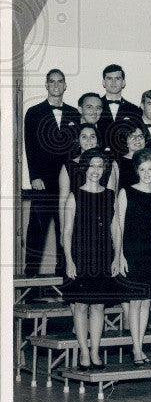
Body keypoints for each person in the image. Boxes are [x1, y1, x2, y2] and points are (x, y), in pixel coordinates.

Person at [61, 149, 131, 371]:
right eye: (92, 165)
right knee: (81, 306)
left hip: (103, 256)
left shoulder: (110, 195)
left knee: (99, 306)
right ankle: (83, 351)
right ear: (84, 168)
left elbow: (116, 229)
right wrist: (69, 261)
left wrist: (117, 256)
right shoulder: (75, 195)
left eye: (100, 166)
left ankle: (95, 351)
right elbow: (67, 232)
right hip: (81, 257)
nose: (96, 170)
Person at [23, 69, 81, 279]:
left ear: (65, 85)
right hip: (43, 183)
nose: (56, 85)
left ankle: (64, 282)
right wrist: (34, 176)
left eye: (60, 82)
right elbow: (29, 145)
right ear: (46, 85)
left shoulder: (75, 113)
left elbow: (76, 149)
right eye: (52, 82)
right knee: (36, 232)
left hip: (67, 183)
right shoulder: (34, 112)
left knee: (65, 231)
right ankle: (29, 286)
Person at [112, 148, 151, 365]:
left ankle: (140, 346)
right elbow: (119, 226)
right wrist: (119, 255)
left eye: (150, 169)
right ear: (137, 170)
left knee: (146, 302)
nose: (146, 173)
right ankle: (136, 349)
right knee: (135, 302)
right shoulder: (126, 192)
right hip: (132, 251)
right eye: (142, 169)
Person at [59, 125, 116, 229]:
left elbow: (111, 201)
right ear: (78, 141)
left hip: (101, 223)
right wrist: (63, 230)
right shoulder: (68, 166)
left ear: (97, 140)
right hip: (75, 223)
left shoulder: (108, 165)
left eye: (92, 136)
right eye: (84, 137)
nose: (89, 140)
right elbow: (63, 201)